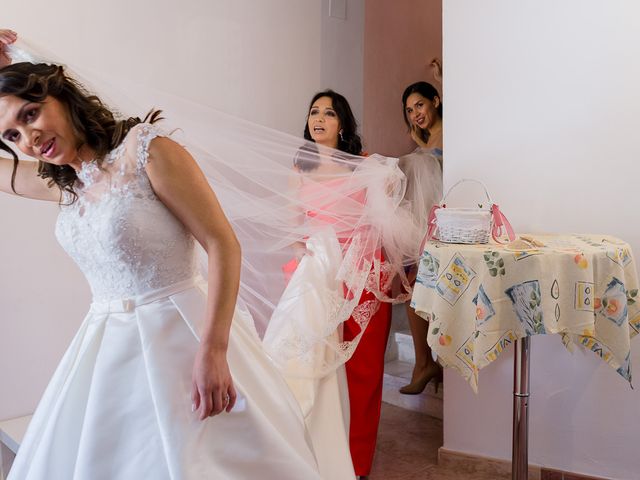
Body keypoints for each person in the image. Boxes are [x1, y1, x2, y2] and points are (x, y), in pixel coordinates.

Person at [0, 32, 324, 479]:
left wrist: (214, 349)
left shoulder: (147, 151)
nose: (29, 138)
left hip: (185, 336)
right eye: (12, 134)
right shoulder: (61, 184)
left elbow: (221, 243)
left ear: (60, 92)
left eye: (31, 113)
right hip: (105, 350)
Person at [267, 90, 395, 479]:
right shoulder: (299, 170)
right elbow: (294, 227)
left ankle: (357, 464)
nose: (318, 118)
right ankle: (317, 455)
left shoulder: (365, 167)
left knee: (364, 372)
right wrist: (308, 261)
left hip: (364, 275)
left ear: (343, 124)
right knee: (315, 367)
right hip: (319, 274)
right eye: (313, 112)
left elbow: (385, 222)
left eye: (329, 113)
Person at [398, 81, 444, 395]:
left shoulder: (454, 132)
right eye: (410, 110)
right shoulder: (421, 142)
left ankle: (427, 363)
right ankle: (423, 362)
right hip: (422, 227)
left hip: (446, 224)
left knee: (429, 292)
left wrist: (441, 75)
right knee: (413, 290)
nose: (416, 114)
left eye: (420, 105)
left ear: (436, 101)